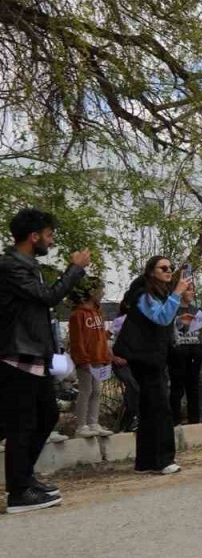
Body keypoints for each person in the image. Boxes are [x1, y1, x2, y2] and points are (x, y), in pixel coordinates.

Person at [0, 208, 89, 513]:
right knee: (21, 425)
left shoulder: (28, 265)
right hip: (16, 357)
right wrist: (74, 269)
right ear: (34, 236)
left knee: (47, 416)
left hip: (33, 355)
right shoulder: (11, 266)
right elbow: (48, 296)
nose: (51, 241)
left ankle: (25, 479)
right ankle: (18, 493)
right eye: (49, 235)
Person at [114, 256, 187, 476]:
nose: (169, 271)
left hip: (152, 356)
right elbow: (161, 318)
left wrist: (180, 322)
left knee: (148, 409)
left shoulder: (157, 292)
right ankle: (163, 459)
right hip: (145, 358)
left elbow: (164, 323)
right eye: (163, 268)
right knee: (160, 409)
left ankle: (145, 462)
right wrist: (177, 293)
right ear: (151, 271)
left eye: (171, 268)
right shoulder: (143, 293)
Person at [68, 276, 113, 439]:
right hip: (85, 360)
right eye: (101, 289)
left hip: (98, 358)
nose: (103, 293)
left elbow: (100, 336)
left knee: (97, 391)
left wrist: (106, 353)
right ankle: (81, 426)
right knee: (85, 391)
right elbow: (76, 340)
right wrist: (82, 360)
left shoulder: (97, 312)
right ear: (92, 292)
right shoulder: (78, 314)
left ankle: (93, 423)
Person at [168, 284, 202, 426]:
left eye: (192, 289)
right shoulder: (172, 310)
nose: (192, 292)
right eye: (188, 289)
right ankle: (175, 421)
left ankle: (194, 420)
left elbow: (201, 331)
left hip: (195, 351)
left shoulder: (196, 311)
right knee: (177, 387)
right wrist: (179, 322)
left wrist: (200, 348)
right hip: (178, 352)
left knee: (194, 387)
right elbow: (167, 330)